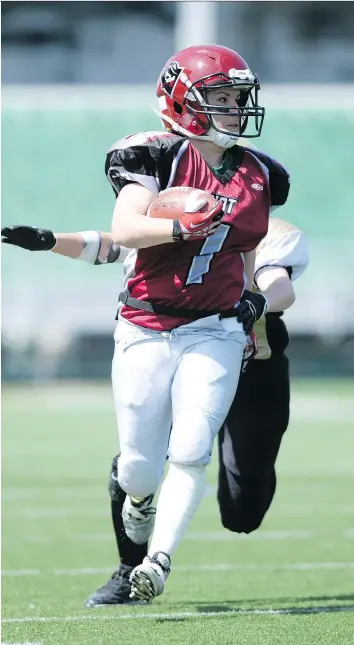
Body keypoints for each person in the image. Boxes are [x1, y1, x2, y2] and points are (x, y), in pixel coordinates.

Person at [1, 44, 290, 602]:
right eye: (221, 98)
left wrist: (254, 307)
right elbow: (125, 230)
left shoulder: (261, 176)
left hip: (215, 328)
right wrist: (183, 228)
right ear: (184, 102)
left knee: (192, 444)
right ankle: (137, 504)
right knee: (138, 467)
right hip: (144, 325)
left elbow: (249, 260)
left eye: (237, 98)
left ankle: (156, 564)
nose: (234, 109)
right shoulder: (152, 155)